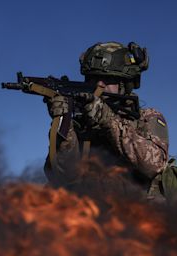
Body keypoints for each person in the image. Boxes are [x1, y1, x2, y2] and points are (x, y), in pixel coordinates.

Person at [43, 42, 169, 198]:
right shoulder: (82, 122)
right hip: (87, 212)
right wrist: (64, 121)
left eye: (108, 79)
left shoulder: (147, 117)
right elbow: (61, 175)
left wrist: (108, 120)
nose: (99, 84)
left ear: (125, 83)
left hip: (133, 212)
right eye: (93, 78)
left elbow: (154, 165)